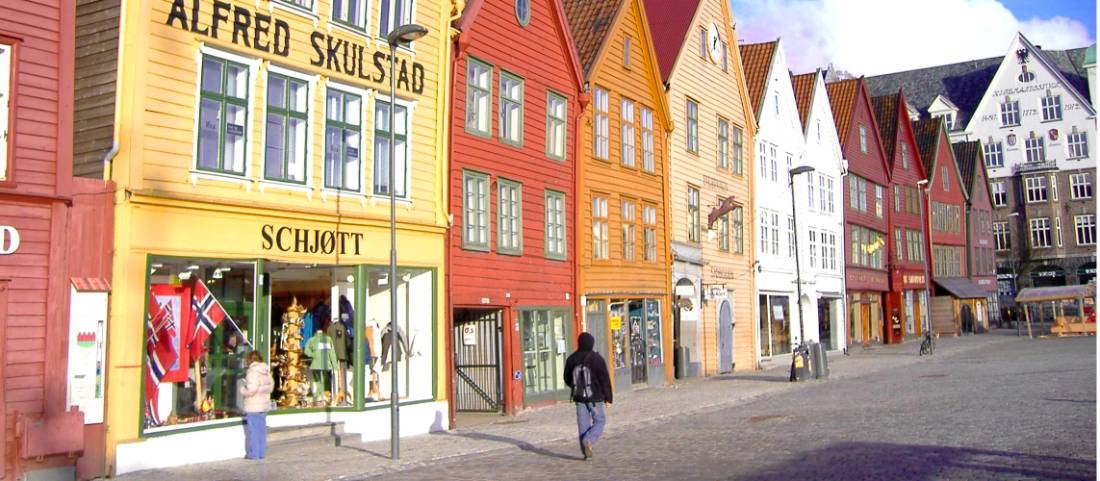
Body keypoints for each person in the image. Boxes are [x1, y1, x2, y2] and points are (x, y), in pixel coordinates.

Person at [563, 332, 612, 460]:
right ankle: (589, 440)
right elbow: (604, 379)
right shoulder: (597, 359)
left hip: (579, 397)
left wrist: (577, 387)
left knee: (583, 425)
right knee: (600, 420)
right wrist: (608, 397)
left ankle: (586, 454)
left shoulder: (571, 359)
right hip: (595, 397)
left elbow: (567, 378)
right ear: (591, 343)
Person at [240, 350, 274, 460]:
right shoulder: (266, 370)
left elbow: (251, 389)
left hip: (253, 405)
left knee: (253, 430)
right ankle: (261, 452)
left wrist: (242, 390)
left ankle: (253, 454)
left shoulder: (252, 372)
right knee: (261, 430)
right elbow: (271, 387)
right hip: (263, 405)